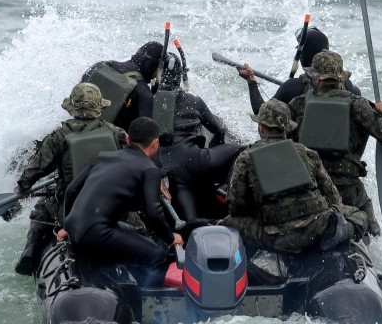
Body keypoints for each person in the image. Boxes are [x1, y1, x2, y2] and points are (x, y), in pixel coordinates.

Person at [8, 82, 127, 276]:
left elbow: (34, 170)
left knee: (41, 210)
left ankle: (30, 251)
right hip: (111, 206)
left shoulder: (59, 136)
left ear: (72, 108)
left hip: (70, 208)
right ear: (99, 108)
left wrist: (24, 186)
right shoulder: (116, 133)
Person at [220, 99, 368, 254]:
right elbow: (334, 198)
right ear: (287, 128)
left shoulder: (246, 158)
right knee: (359, 214)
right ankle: (339, 233)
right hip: (316, 228)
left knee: (229, 221)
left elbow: (236, 207)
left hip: (277, 238)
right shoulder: (308, 153)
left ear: (261, 127)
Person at [288, 50, 382, 237]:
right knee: (370, 226)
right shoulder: (359, 105)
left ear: (316, 79)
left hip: (309, 187)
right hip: (348, 189)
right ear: (340, 78)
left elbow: (282, 142)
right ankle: (368, 244)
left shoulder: (298, 104)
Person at [61, 117, 184, 285]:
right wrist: (170, 238)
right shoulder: (149, 169)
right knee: (158, 254)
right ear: (155, 143)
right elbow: (153, 213)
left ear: (127, 140)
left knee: (136, 233)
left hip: (75, 228)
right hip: (97, 233)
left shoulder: (102, 157)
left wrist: (67, 226)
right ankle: (144, 297)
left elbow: (71, 191)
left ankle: (121, 277)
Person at [155, 52, 245, 221]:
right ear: (180, 76)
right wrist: (212, 150)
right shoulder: (193, 100)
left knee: (191, 220)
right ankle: (226, 189)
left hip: (167, 169)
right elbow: (218, 129)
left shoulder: (148, 100)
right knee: (240, 149)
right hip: (194, 160)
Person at [235, 27, 362, 114]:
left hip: (302, 153)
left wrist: (251, 81)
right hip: (343, 153)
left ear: (303, 54)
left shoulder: (292, 88)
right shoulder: (352, 90)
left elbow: (261, 113)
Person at [81, 41, 164, 130]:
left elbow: (78, 90)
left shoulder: (101, 66)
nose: (155, 76)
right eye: (157, 72)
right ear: (151, 65)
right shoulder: (144, 93)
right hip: (109, 142)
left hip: (77, 130)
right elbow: (146, 137)